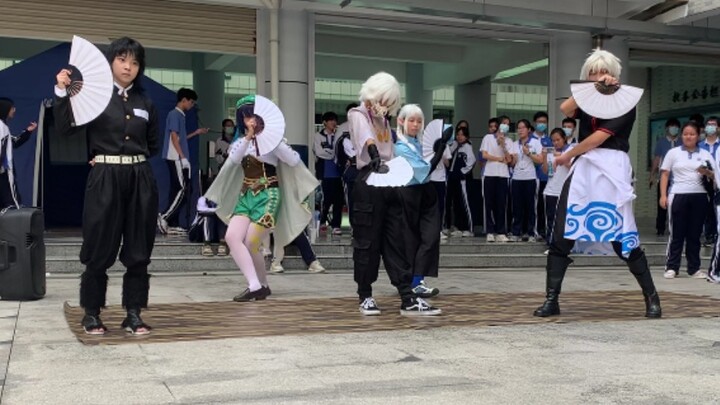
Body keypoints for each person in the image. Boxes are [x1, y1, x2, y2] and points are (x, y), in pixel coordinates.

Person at [533, 49, 662, 319]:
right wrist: (590, 87)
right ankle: (551, 299)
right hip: (584, 171)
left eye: (604, 72)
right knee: (562, 232)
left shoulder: (626, 101)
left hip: (611, 170)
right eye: (593, 72)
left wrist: (568, 154)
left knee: (623, 238)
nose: (599, 76)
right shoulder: (588, 100)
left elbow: (599, 138)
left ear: (615, 75)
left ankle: (651, 297)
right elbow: (565, 109)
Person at [54, 37, 158, 335]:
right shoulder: (94, 97)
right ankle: (91, 313)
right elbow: (65, 129)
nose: (128, 66)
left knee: (139, 247)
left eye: (135, 62)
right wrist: (62, 91)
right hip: (105, 177)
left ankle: (134, 314)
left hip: (140, 178)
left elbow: (152, 143)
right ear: (110, 62)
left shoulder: (146, 102)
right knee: (99, 245)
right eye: (123, 59)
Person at [204, 95, 317, 302]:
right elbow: (233, 159)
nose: (250, 121)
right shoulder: (241, 142)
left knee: (252, 240)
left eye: (252, 116)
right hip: (246, 196)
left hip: (268, 195)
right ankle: (259, 285)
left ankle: (258, 285)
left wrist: (277, 144)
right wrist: (248, 138)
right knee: (232, 237)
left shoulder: (273, 142)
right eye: (246, 118)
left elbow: (293, 160)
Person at [349, 72, 440, 316]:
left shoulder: (384, 121)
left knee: (397, 239)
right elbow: (365, 137)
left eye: (390, 103)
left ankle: (407, 296)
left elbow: (391, 151)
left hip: (390, 181)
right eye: (385, 100)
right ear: (374, 94)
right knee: (367, 240)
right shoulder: (357, 114)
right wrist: (374, 154)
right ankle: (365, 295)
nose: (387, 106)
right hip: (368, 180)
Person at [395, 104, 452, 298]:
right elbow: (424, 170)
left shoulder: (417, 143)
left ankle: (417, 279)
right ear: (401, 121)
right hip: (409, 193)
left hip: (426, 192)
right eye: (411, 120)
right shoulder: (400, 146)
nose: (416, 125)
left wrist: (443, 140)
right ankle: (414, 281)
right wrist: (441, 147)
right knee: (412, 239)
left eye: (419, 121)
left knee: (430, 236)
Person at [659, 121, 715, 280]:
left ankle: (694, 268)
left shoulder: (704, 154)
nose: (688, 137)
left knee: (695, 233)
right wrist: (663, 196)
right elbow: (664, 174)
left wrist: (707, 173)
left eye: (692, 134)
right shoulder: (673, 153)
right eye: (685, 134)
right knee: (677, 232)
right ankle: (672, 267)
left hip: (699, 195)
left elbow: (713, 175)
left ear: (698, 136)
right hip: (678, 194)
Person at [157, 88, 209, 235]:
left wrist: (196, 132)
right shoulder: (175, 114)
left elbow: (180, 138)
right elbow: (174, 137)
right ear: (184, 100)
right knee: (182, 189)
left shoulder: (180, 116)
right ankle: (164, 217)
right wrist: (182, 157)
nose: (192, 105)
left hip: (177, 156)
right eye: (191, 102)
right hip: (176, 157)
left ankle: (171, 222)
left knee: (177, 189)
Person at [480, 116, 513, 243]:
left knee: (501, 203)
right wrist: (499, 159)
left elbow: (509, 160)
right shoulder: (488, 138)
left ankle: (501, 231)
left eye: (508, 124)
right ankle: (489, 231)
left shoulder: (509, 141)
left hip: (503, 175)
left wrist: (503, 145)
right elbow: (484, 155)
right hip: (489, 173)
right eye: (504, 123)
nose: (506, 126)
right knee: (489, 203)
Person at [509, 119, 543, 242]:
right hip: (517, 177)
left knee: (530, 206)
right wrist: (512, 159)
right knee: (517, 206)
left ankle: (531, 232)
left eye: (523, 127)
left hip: (530, 178)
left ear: (529, 129)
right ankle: (516, 232)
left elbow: (540, 160)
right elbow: (512, 164)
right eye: (518, 128)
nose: (520, 130)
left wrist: (528, 153)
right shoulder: (514, 144)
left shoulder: (535, 142)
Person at [0, 98, 37, 209]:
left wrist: (27, 131)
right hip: (4, 170)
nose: (14, 110)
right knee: (11, 199)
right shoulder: (1, 127)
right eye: (12, 108)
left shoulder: (3, 126)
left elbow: (14, 142)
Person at [314, 111, 345, 236]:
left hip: (339, 173)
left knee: (339, 200)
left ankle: (336, 225)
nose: (334, 122)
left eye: (335, 120)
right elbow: (319, 152)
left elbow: (341, 151)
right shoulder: (318, 136)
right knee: (326, 200)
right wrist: (332, 153)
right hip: (325, 173)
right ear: (325, 122)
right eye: (331, 120)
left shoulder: (339, 135)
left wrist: (330, 152)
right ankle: (322, 222)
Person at [542, 128, 573, 246]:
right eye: (553, 140)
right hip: (551, 190)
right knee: (551, 219)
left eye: (558, 140)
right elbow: (546, 171)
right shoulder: (551, 152)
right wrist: (545, 157)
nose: (555, 143)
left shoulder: (570, 150)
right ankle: (551, 243)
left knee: (564, 220)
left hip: (565, 191)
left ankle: (564, 245)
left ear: (564, 138)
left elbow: (573, 167)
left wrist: (562, 157)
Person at [649, 118, 680, 236]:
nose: (674, 129)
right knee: (662, 203)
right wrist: (652, 175)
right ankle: (660, 228)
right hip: (664, 178)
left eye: (676, 127)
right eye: (671, 126)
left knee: (677, 204)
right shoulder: (661, 142)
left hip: (678, 178)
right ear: (667, 128)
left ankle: (676, 227)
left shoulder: (681, 142)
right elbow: (657, 159)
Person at [445, 127, 476, 237]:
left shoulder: (467, 147)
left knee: (464, 203)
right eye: (458, 134)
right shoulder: (454, 145)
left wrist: (462, 172)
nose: (459, 136)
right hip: (451, 178)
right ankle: (456, 226)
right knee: (455, 203)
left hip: (461, 179)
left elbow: (471, 162)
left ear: (466, 136)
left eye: (462, 135)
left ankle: (469, 228)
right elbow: (447, 155)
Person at [335, 103, 359, 227]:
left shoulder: (367, 129)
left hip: (366, 172)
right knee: (351, 200)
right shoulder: (344, 131)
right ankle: (354, 228)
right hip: (351, 171)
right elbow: (339, 153)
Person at [699, 116, 720, 246]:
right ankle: (708, 235)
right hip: (703, 181)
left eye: (713, 124)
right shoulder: (700, 146)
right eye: (708, 124)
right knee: (707, 209)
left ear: (718, 128)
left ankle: (716, 233)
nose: (710, 127)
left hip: (718, 182)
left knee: (716, 207)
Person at [532, 111, 552, 240]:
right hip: (532, 177)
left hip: (546, 177)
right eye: (539, 122)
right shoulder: (528, 139)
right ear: (535, 123)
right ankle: (533, 230)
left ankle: (543, 230)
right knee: (533, 205)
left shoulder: (549, 140)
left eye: (544, 122)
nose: (542, 124)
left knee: (544, 205)